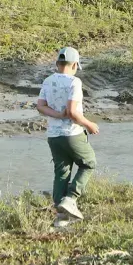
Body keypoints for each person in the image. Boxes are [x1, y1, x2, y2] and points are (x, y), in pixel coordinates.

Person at [36, 46, 100, 225]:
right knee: (89, 163)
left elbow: (40, 106)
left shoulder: (48, 81)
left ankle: (61, 218)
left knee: (62, 172)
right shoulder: (74, 82)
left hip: (53, 136)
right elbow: (72, 112)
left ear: (57, 63)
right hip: (72, 134)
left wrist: (57, 115)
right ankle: (71, 199)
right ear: (74, 65)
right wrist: (89, 124)